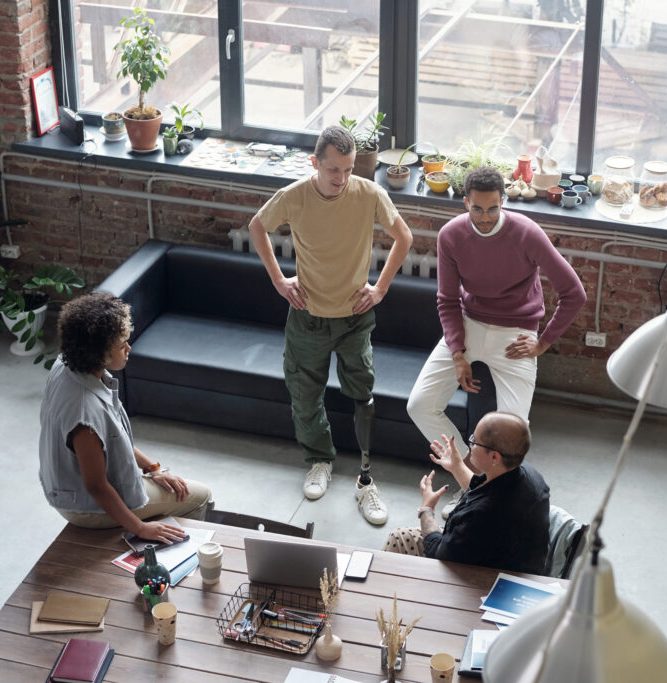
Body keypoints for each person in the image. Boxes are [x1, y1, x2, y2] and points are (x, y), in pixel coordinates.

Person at [248, 125, 413, 525]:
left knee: (363, 395)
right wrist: (279, 280)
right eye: (334, 170)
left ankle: (365, 477)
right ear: (315, 164)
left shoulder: (369, 194)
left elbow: (404, 237)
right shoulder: (294, 196)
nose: (341, 178)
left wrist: (380, 289)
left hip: (355, 316)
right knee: (305, 396)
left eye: (349, 169)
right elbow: (257, 227)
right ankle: (319, 461)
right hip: (308, 317)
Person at [406, 166, 585, 517]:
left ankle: (485, 490)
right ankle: (473, 482)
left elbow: (574, 293)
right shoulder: (451, 235)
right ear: (465, 203)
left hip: (516, 333)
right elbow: (447, 300)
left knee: (514, 433)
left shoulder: (526, 233)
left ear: (503, 201)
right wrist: (457, 354)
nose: (485, 217)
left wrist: (543, 343)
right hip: (470, 324)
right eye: (477, 208)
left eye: (492, 208)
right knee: (420, 405)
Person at [39, 293, 211, 542]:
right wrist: (140, 528)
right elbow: (96, 486)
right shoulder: (85, 413)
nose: (128, 348)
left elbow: (113, 439)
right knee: (199, 495)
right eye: (122, 345)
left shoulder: (65, 366)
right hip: (86, 507)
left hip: (66, 489)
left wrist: (154, 469)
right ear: (99, 353)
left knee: (171, 486)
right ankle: (177, 552)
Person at [383, 412, 550, 575]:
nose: (470, 445)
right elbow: (483, 492)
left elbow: (439, 553)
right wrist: (456, 467)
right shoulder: (528, 475)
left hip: (484, 579)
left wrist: (427, 509)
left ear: (494, 457)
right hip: (511, 561)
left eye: (475, 441)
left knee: (398, 539)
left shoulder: (484, 515)